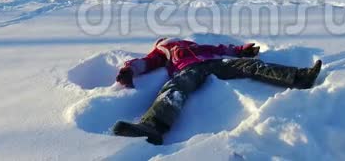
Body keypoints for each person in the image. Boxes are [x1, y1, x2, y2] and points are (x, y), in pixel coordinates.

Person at [112, 37, 322, 145]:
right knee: (175, 88)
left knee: (249, 66)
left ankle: (300, 77)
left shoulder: (195, 45)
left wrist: (242, 51)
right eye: (165, 41)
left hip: (215, 63)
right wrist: (128, 70)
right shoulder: (162, 51)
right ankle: (153, 127)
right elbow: (144, 62)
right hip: (189, 70)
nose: (171, 41)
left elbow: (220, 49)